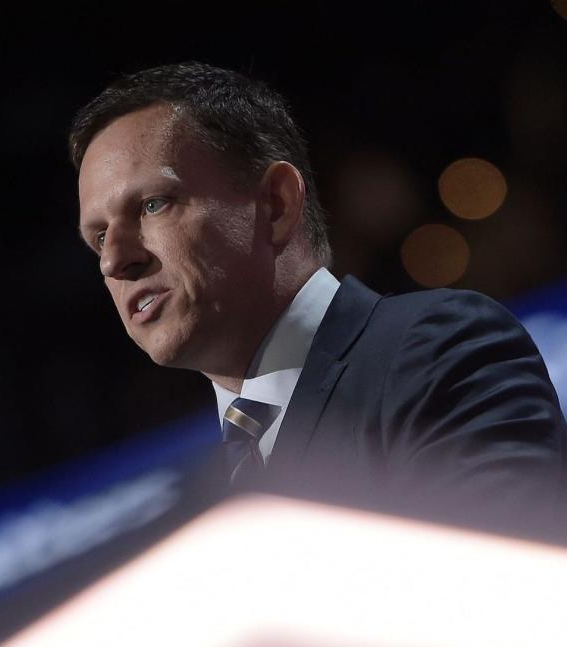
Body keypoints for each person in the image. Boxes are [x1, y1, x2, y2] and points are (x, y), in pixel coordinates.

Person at [69, 61, 566, 531]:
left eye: (153, 205)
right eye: (98, 239)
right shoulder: (202, 503)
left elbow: (508, 588)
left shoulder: (434, 351)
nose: (115, 260)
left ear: (277, 203)